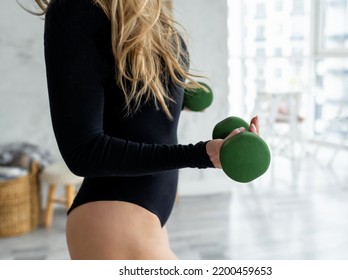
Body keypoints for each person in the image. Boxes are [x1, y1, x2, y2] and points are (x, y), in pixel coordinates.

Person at [35, 0, 259, 260]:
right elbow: (83, 152)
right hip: (114, 225)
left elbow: (131, 109)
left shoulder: (153, 13)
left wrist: (178, 98)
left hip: (147, 222)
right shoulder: (75, 10)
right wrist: (202, 155)